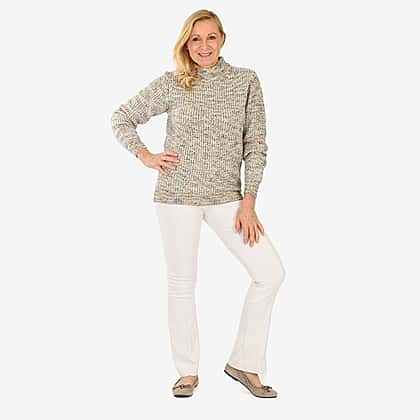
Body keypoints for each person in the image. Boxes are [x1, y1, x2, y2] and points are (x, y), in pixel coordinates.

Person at [111, 9, 286, 398]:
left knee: (270, 273)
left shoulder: (245, 81)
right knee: (181, 282)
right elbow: (121, 117)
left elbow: (256, 145)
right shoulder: (173, 82)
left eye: (210, 37)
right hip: (176, 196)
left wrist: (249, 201)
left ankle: (244, 362)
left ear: (222, 39)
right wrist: (145, 155)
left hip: (228, 199)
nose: (203, 46)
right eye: (195, 39)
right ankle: (187, 372)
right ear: (185, 44)